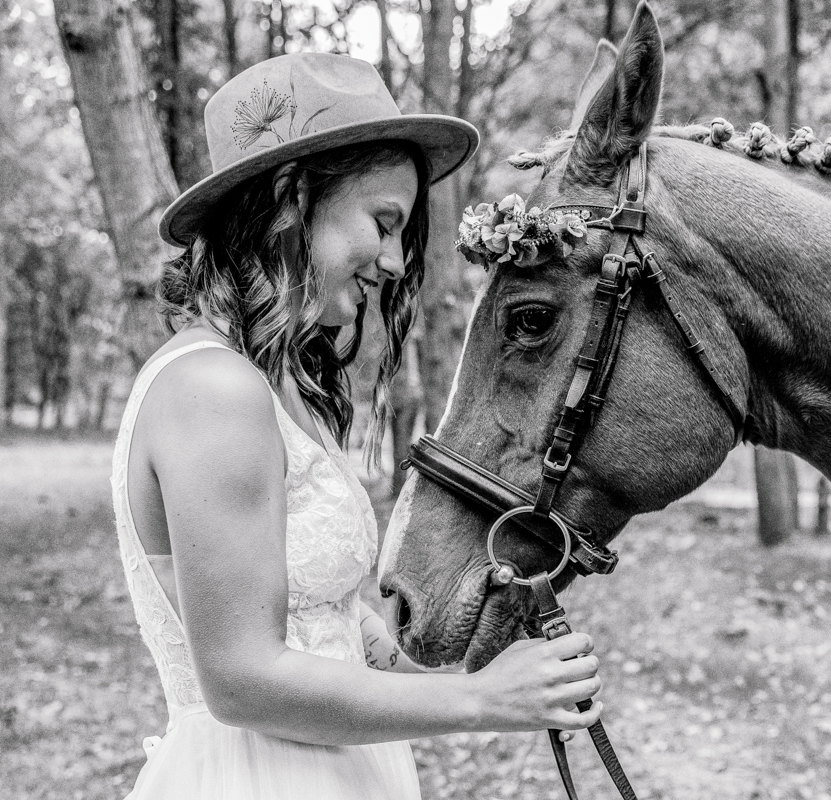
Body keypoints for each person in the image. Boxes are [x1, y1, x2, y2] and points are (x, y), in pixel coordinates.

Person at [113, 52, 602, 799]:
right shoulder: (212, 388)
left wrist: (510, 676)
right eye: (384, 222)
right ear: (290, 197)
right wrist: (480, 704)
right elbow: (242, 680)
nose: (397, 260)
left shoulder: (278, 391)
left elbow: (333, 643)